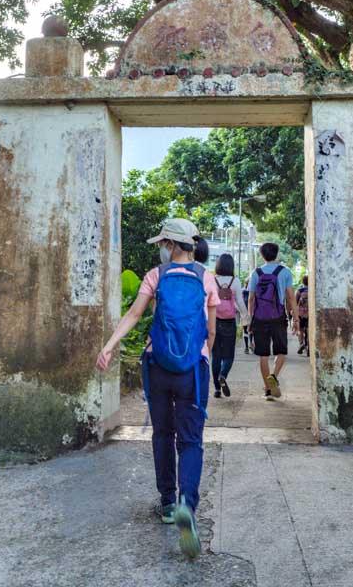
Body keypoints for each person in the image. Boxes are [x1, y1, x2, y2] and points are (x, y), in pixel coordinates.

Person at [95, 218, 218, 559]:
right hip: (193, 371)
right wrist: (200, 356)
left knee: (163, 434)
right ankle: (185, 505)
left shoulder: (156, 276)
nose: (162, 249)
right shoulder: (206, 278)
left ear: (172, 245)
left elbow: (134, 315)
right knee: (191, 439)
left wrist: (109, 346)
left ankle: (166, 503)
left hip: (159, 367)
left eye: (164, 243)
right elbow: (210, 332)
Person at [247, 242, 297, 400]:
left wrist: (250, 319)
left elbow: (250, 299)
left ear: (262, 255)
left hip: (260, 318)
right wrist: (295, 318)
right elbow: (290, 296)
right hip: (278, 316)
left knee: (263, 355)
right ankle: (274, 376)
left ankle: (268, 389)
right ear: (277, 254)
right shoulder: (285, 272)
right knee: (281, 351)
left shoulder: (255, 273)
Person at [211, 253, 249, 399]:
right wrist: (246, 317)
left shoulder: (212, 281)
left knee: (216, 356)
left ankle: (216, 389)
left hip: (214, 321)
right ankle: (223, 375)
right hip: (229, 322)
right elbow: (239, 302)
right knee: (229, 356)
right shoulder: (236, 282)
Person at [295, 274, 310, 355]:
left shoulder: (299, 291)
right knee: (308, 330)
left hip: (300, 314)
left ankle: (301, 344)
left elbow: (295, 303)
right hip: (309, 314)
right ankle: (309, 347)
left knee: (300, 330)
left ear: (302, 282)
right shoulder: (312, 291)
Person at [241, 287, 252, 353]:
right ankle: (250, 344)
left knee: (245, 330)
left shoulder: (242, 291)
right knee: (251, 330)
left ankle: (246, 347)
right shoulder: (253, 291)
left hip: (244, 313)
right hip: (251, 313)